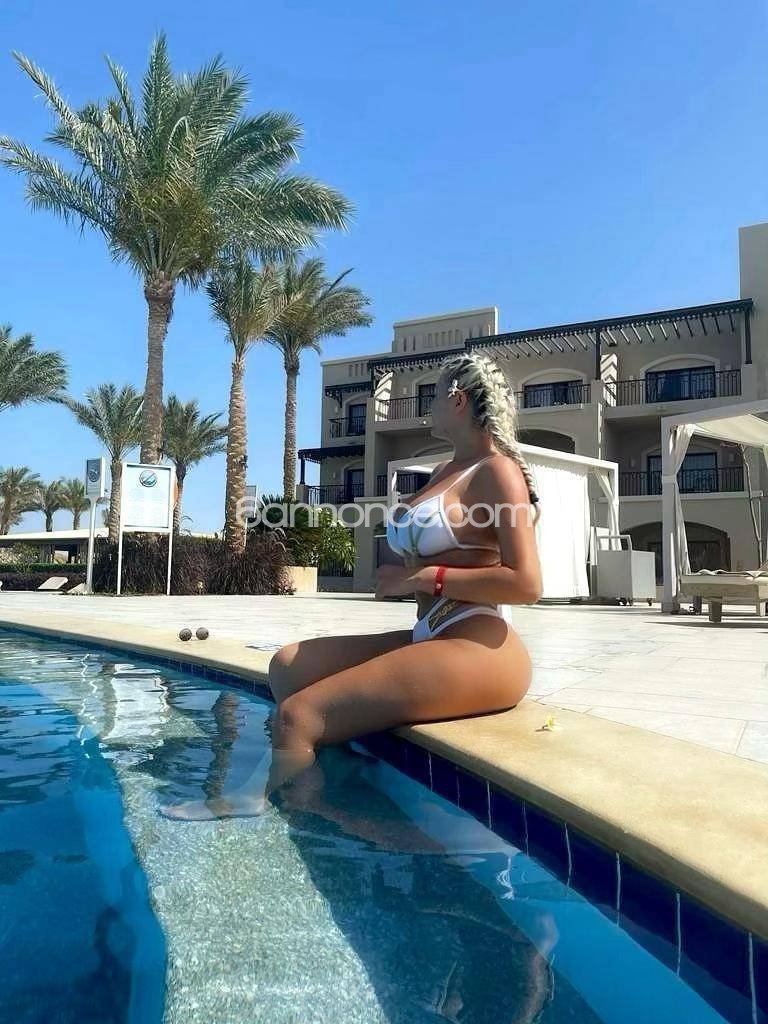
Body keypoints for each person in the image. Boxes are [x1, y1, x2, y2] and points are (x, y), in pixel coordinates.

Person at [162, 352, 541, 819]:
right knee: (287, 669)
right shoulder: (448, 470)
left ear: (458, 401)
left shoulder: (496, 471)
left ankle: (264, 803)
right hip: (432, 631)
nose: (429, 407)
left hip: (479, 640)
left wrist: (424, 577)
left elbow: (526, 583)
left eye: (434, 396)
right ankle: (330, 781)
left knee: (297, 716)